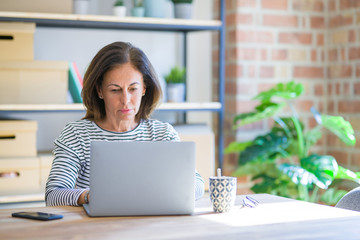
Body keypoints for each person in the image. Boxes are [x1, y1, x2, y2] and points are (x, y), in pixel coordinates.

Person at [45, 41, 205, 206]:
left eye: (133, 89)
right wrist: (91, 196)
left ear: (144, 88)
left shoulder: (162, 134)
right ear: (100, 91)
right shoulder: (77, 135)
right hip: (97, 229)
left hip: (151, 226)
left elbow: (198, 185)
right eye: (115, 90)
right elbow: (53, 195)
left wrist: (159, 192)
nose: (125, 100)